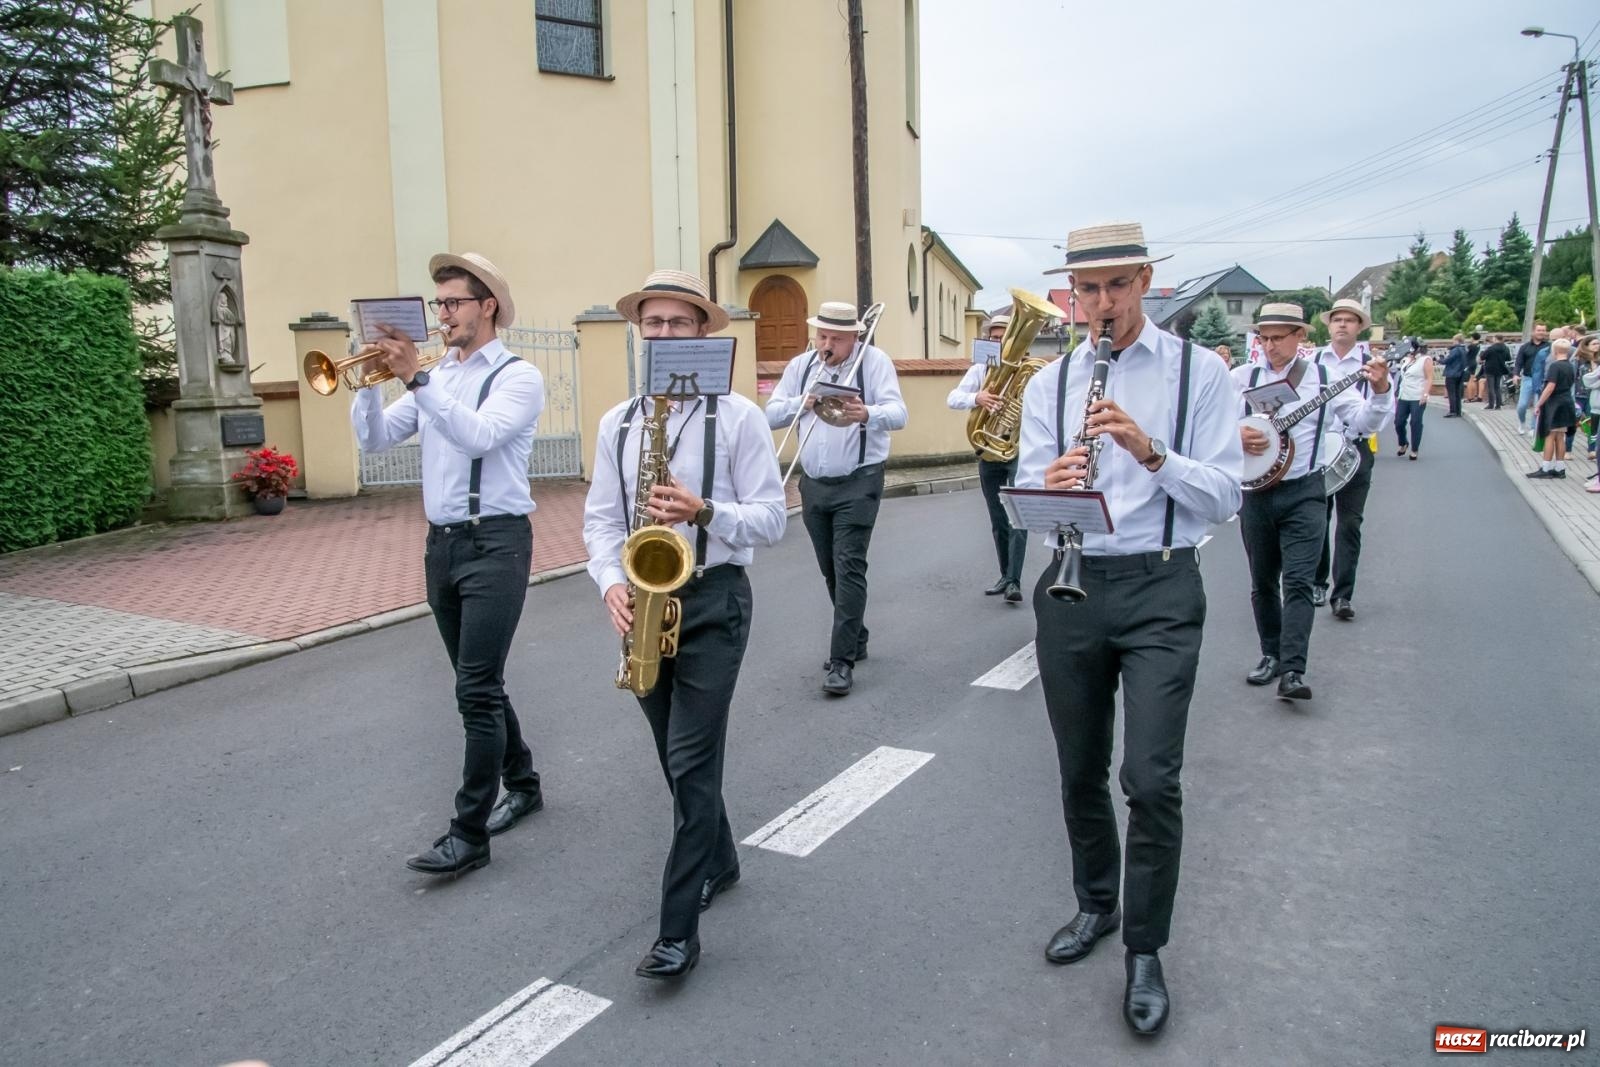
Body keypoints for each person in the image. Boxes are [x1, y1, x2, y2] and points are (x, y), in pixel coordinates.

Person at [1018, 222, 1243, 1037]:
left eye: (1117, 285)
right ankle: (1097, 904)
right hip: (1074, 580)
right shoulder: (1051, 383)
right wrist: (1049, 484)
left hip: (1160, 582)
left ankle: (1145, 949)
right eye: (1088, 290)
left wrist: (1151, 453)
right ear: (1070, 295)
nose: (1102, 305)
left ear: (1146, 281)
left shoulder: (1202, 372)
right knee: (1079, 768)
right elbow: (1025, 497)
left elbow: (1225, 495)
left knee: (1149, 778)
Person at [583, 269, 787, 979]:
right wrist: (611, 583)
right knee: (677, 758)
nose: (664, 334)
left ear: (703, 331)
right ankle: (721, 857)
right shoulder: (619, 422)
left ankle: (677, 932)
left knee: (691, 762)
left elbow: (772, 519)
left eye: (678, 322)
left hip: (714, 597)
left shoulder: (739, 417)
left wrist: (704, 512)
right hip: (643, 601)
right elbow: (602, 521)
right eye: (654, 323)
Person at [355, 252, 547, 876]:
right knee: (478, 681)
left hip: (497, 543)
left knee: (474, 690)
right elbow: (377, 439)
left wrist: (417, 381)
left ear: (486, 306)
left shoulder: (518, 376)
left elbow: (480, 437)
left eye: (453, 303)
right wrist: (368, 383)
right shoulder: (437, 376)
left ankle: (468, 833)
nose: (442, 315)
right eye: (437, 304)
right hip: (442, 546)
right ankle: (524, 781)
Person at [1234, 303, 1391, 700]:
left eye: (1278, 337)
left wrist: (1380, 392)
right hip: (1255, 492)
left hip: (1304, 490)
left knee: (1300, 582)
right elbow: (1210, 426)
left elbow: (1361, 424)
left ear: (1300, 336)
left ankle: (1293, 670)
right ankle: (1270, 654)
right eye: (1264, 337)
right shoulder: (1241, 378)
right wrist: (1233, 436)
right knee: (1262, 583)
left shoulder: (1324, 377)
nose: (1269, 346)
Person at [766, 301, 907, 696]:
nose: (827, 344)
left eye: (837, 338)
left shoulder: (873, 362)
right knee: (830, 568)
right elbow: (771, 413)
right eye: (822, 335)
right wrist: (804, 401)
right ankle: (856, 633)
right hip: (813, 484)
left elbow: (899, 413)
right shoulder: (801, 367)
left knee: (848, 567)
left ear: (854, 338)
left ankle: (841, 661)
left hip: (859, 482)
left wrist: (867, 414)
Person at [1311, 298, 1387, 621]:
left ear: (1359, 327)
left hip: (1357, 447)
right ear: (1328, 326)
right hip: (1317, 450)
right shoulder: (1312, 362)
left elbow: (1380, 415)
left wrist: (1380, 388)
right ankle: (1317, 582)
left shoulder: (1373, 364)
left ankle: (1342, 594)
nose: (1342, 324)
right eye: (1337, 319)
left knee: (1350, 522)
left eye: (1349, 320)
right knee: (1316, 519)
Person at [947, 312, 1028, 603]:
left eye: (1002, 336)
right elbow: (952, 398)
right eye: (993, 337)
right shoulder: (981, 369)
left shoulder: (1029, 369)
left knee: (1017, 515)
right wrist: (976, 398)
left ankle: (1015, 581)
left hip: (1018, 450)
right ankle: (1005, 575)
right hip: (989, 450)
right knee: (997, 518)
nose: (997, 341)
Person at [1527, 337, 1577, 480]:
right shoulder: (1570, 365)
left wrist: (1539, 403)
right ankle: (1560, 468)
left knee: (1550, 436)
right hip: (1567, 402)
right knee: (1560, 436)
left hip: (1555, 403)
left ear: (1554, 350)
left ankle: (1546, 467)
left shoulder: (1555, 366)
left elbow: (1550, 387)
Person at [1393, 339, 1432, 460]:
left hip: (1417, 396)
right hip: (1404, 395)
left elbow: (1429, 378)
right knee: (1398, 422)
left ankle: (1414, 449)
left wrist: (1425, 394)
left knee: (1415, 422)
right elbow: (1402, 378)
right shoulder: (1406, 360)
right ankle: (1403, 443)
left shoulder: (1425, 360)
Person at [1514, 323, 1549, 433]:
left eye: (1543, 330)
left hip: (1542, 379)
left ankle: (1534, 427)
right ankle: (1522, 422)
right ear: (1533, 331)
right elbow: (1518, 362)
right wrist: (1516, 374)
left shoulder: (1549, 346)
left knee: (1538, 404)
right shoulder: (1525, 347)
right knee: (1522, 405)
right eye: (1539, 330)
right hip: (1528, 378)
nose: (1541, 332)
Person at [1480, 334, 1512, 410]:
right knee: (1497, 387)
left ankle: (1491, 404)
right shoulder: (1506, 348)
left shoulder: (1491, 348)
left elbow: (1482, 357)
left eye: (1493, 338)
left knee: (1490, 387)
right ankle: (1498, 405)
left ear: (1496, 339)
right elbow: (1508, 358)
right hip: (1500, 368)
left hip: (1490, 368)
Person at [1441, 334, 1467, 417]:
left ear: (1457, 341)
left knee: (1451, 393)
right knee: (1457, 393)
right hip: (1460, 373)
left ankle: (1453, 411)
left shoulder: (1455, 350)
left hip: (1452, 373)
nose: (1452, 342)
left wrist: (1440, 359)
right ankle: (1458, 411)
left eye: (1453, 340)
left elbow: (1447, 360)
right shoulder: (1464, 350)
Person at [1464, 331, 1483, 404]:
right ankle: (1474, 396)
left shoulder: (1471, 346)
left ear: (1473, 337)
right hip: (1474, 362)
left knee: (1469, 381)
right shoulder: (1478, 345)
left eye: (1471, 337)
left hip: (1469, 363)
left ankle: (1469, 397)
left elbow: (1466, 354)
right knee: (1472, 379)